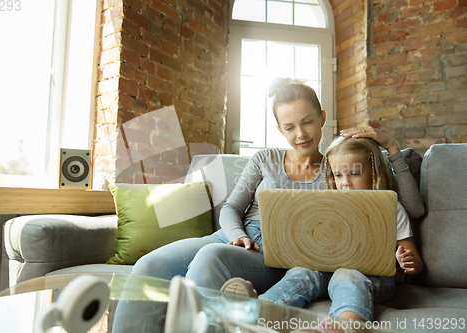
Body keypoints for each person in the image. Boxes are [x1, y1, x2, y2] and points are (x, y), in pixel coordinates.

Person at [130, 78, 424, 294]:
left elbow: (410, 208)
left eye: (307, 122)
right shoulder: (265, 158)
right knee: (147, 266)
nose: (301, 134)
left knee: (210, 259)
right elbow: (231, 207)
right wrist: (236, 236)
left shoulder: (340, 169)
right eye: (289, 127)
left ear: (321, 119)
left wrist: (391, 147)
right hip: (231, 238)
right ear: (280, 129)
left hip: (272, 253)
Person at [223, 136, 424, 324]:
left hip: (374, 279)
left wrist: (410, 262)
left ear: (373, 172)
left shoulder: (389, 207)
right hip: (326, 271)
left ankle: (345, 325)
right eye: (338, 174)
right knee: (301, 272)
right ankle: (262, 310)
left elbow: (413, 259)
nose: (345, 181)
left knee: (347, 276)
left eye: (354, 173)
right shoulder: (327, 206)